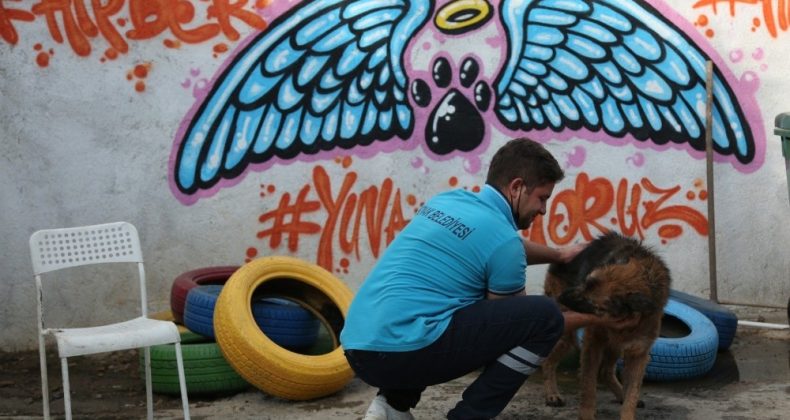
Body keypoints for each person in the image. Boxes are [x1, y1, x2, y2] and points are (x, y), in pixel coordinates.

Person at [340, 137, 629, 420]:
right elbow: (523, 324)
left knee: (440, 304)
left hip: (357, 347)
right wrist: (597, 318)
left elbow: (495, 246)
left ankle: (390, 407)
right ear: (517, 187)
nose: (543, 209)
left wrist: (558, 255)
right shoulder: (503, 242)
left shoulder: (450, 201)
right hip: (398, 355)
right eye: (542, 198)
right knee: (544, 315)